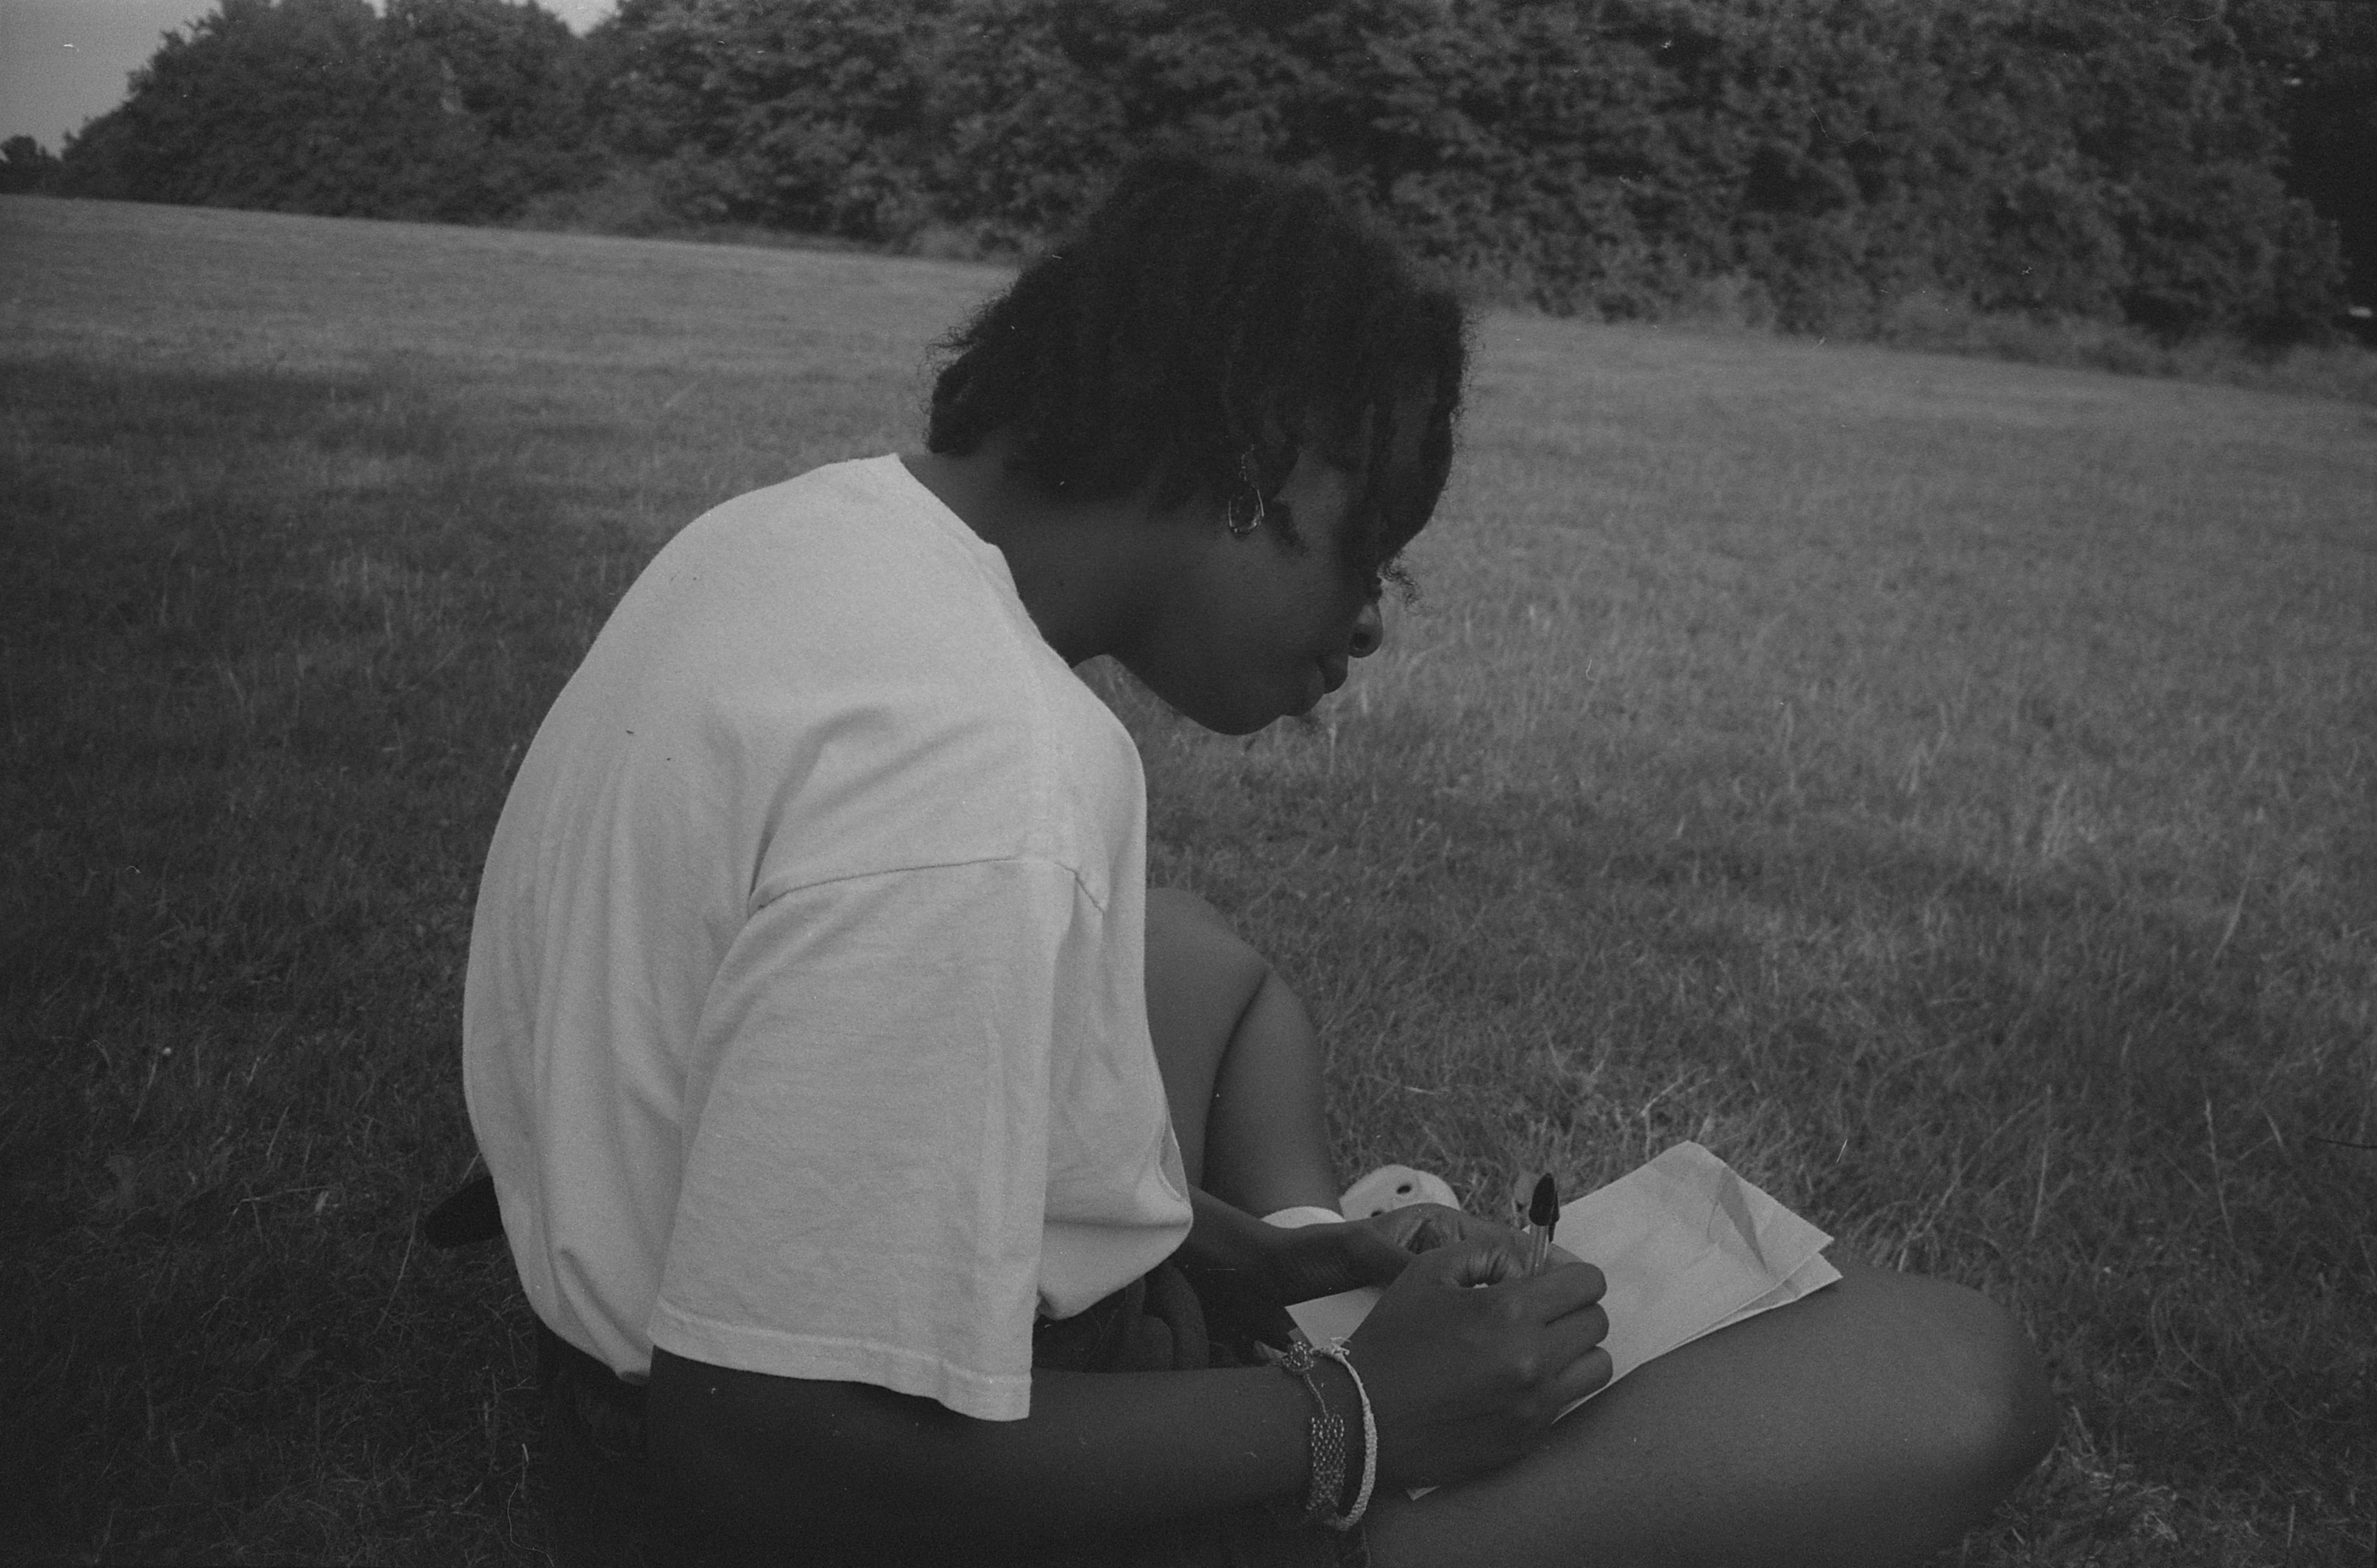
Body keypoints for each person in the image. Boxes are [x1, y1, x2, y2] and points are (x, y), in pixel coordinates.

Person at [461, 152, 2056, 1568]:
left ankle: (1312, 1258)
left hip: (647, 1336)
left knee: (1191, 952)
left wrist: (1284, 1255)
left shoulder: (799, 535)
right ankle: (1384, 1491)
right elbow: (764, 1449)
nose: (1367, 622)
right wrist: (1353, 1414)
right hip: (844, 1491)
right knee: (1948, 1373)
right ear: (1260, 472)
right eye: (1373, 552)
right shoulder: (981, 774)